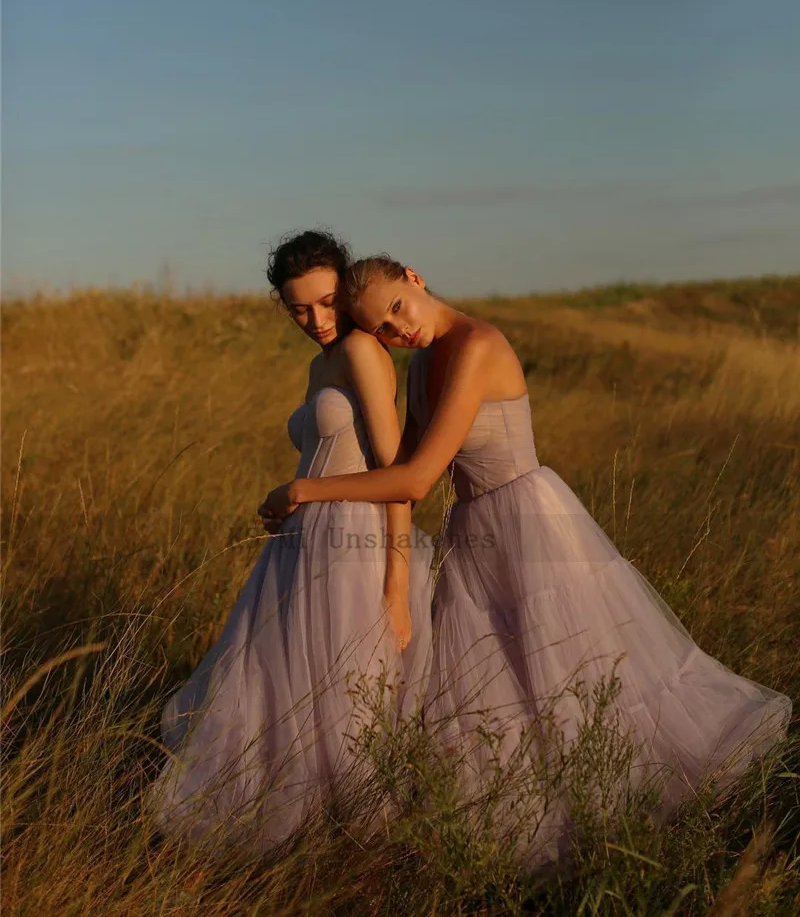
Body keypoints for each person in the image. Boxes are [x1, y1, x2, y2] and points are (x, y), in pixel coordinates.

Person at [264, 254, 792, 865]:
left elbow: (412, 481)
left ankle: (646, 814)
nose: (399, 331)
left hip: (528, 522)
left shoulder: (478, 345)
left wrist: (306, 491)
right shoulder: (423, 363)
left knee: (580, 677)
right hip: (474, 530)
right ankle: (542, 820)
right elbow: (397, 471)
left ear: (415, 277)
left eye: (398, 310)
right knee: (504, 690)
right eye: (382, 329)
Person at [152, 235, 434, 851]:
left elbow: (397, 476)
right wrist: (294, 504)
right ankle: (309, 838)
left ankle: (367, 843)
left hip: (355, 545)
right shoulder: (319, 364)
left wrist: (397, 582)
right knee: (289, 688)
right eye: (299, 309)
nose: (317, 321)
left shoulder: (361, 349)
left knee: (349, 693)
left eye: (328, 302)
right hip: (304, 545)